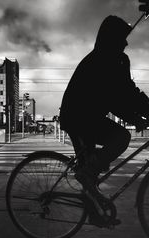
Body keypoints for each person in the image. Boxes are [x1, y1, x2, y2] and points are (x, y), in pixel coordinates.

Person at [59, 15, 149, 226]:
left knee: (90, 173)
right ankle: (88, 174)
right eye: (122, 38)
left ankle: (94, 213)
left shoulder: (117, 59)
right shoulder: (102, 60)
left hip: (89, 116)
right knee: (120, 138)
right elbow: (113, 96)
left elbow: (127, 92)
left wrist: (141, 112)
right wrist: (135, 116)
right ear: (111, 38)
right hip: (78, 118)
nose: (126, 42)